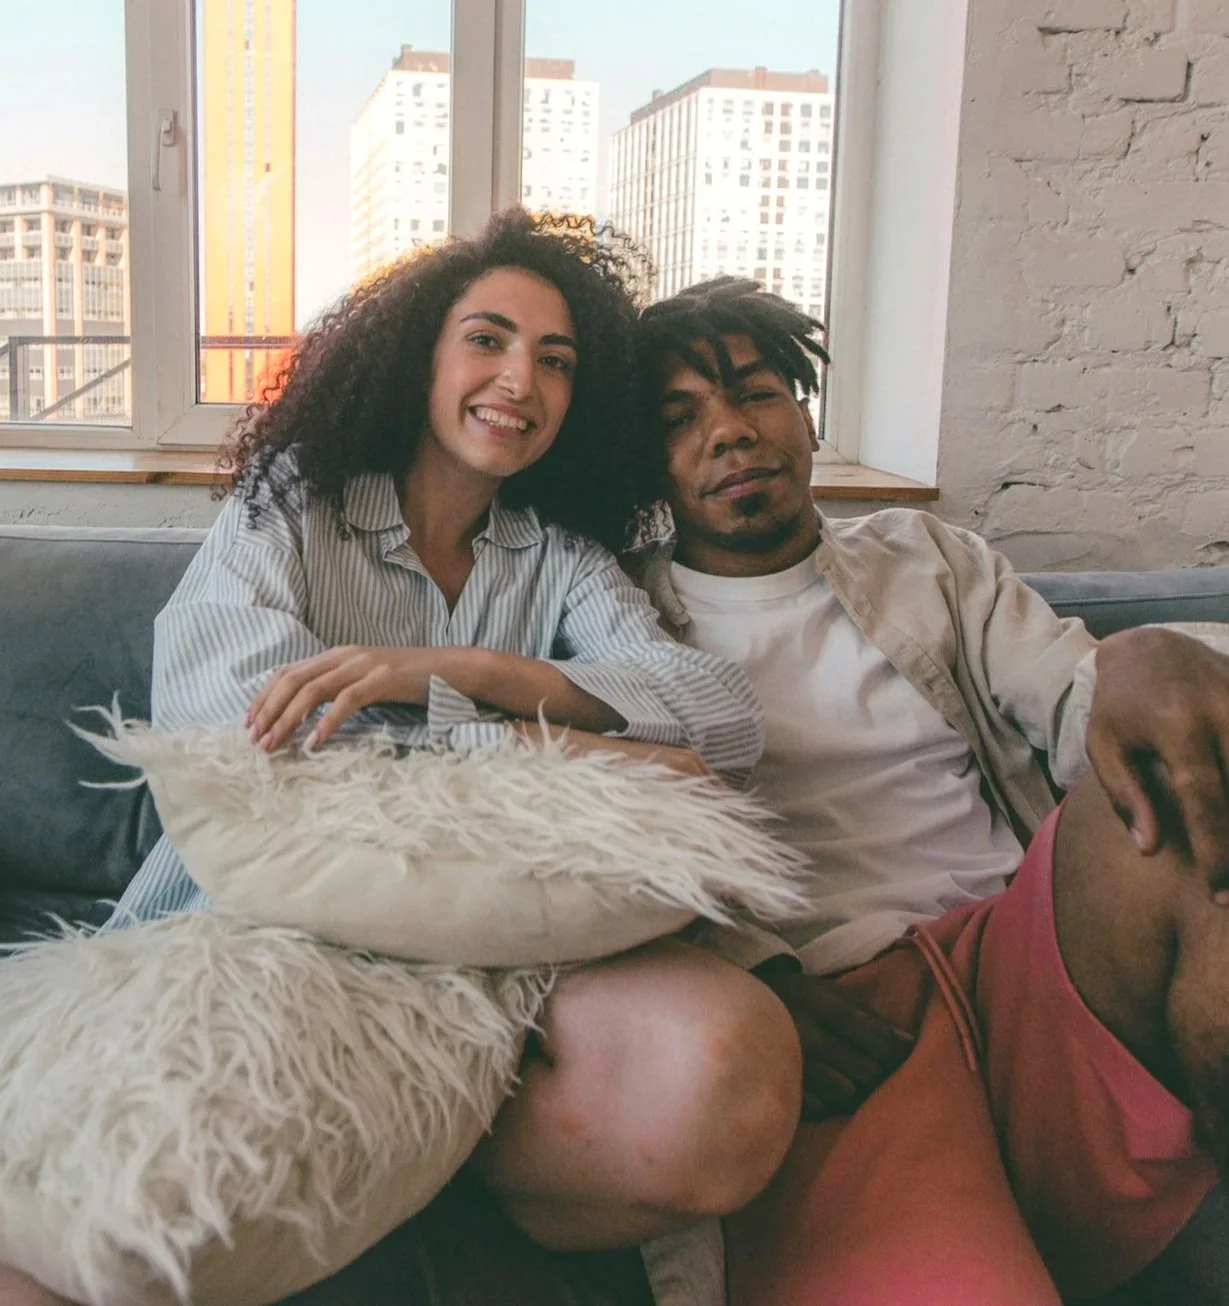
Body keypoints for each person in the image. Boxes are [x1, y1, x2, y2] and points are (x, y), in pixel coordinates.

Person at [0, 216, 799, 1306]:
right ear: (419, 355)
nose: (519, 380)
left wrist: (462, 670)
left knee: (712, 1078)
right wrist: (537, 745)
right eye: (487, 339)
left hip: (475, 960)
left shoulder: (561, 561)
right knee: (103, 1231)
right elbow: (242, 727)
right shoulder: (294, 506)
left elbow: (721, 719)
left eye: (556, 360)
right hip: (244, 932)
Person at [620, 274, 1229, 1304]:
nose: (729, 432)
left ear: (802, 415)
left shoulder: (926, 557)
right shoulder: (618, 619)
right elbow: (602, 857)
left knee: (1179, 789)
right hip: (839, 1019)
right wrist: (748, 977)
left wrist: (1146, 660)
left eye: (756, 392)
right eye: (680, 420)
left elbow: (1077, 701)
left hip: (1027, 954)